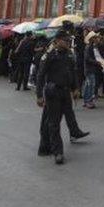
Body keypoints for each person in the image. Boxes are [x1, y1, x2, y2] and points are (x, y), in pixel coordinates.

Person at [35, 26, 89, 165]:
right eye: (65, 40)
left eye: (68, 40)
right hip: (53, 92)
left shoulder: (69, 54)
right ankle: (58, 152)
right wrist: (39, 95)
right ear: (57, 40)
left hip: (65, 92)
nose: (67, 42)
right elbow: (40, 76)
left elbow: (73, 72)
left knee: (69, 114)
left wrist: (76, 88)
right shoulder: (49, 55)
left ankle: (74, 132)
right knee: (54, 123)